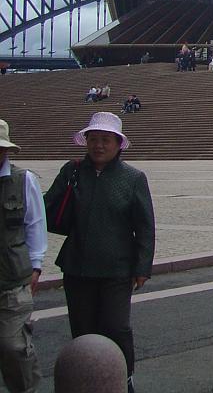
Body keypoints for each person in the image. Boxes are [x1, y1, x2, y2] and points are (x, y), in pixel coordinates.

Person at [43, 112, 155, 393]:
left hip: (117, 267)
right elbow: (46, 207)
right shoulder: (73, 171)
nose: (99, 146)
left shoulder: (133, 178)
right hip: (77, 264)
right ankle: (86, 380)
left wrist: (142, 266)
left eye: (106, 140)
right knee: (82, 329)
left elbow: (144, 226)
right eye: (93, 139)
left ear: (118, 144)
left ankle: (124, 376)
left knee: (116, 327)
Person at [0, 119, 46, 392]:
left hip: (13, 280)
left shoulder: (23, 179)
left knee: (13, 346)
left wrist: (36, 266)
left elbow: (35, 224)